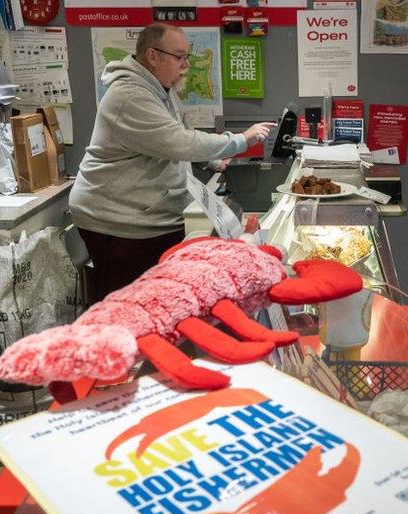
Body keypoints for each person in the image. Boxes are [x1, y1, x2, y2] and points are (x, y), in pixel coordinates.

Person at [70, 22, 275, 303]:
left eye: (187, 57)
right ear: (152, 56)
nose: (187, 65)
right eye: (180, 57)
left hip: (147, 215)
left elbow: (173, 143)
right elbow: (179, 142)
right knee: (130, 307)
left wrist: (211, 163)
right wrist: (241, 139)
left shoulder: (161, 90)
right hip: (118, 223)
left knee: (159, 301)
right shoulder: (130, 96)